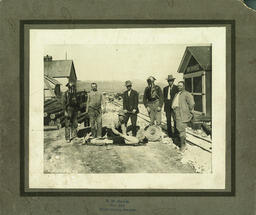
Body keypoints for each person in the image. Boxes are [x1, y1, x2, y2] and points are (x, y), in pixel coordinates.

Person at [172, 81, 195, 151]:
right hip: (176, 112)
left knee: (181, 129)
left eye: (181, 86)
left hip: (181, 113)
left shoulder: (186, 94)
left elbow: (192, 103)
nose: (179, 87)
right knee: (178, 128)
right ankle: (181, 143)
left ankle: (183, 146)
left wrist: (187, 111)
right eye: (178, 86)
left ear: (184, 86)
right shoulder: (177, 93)